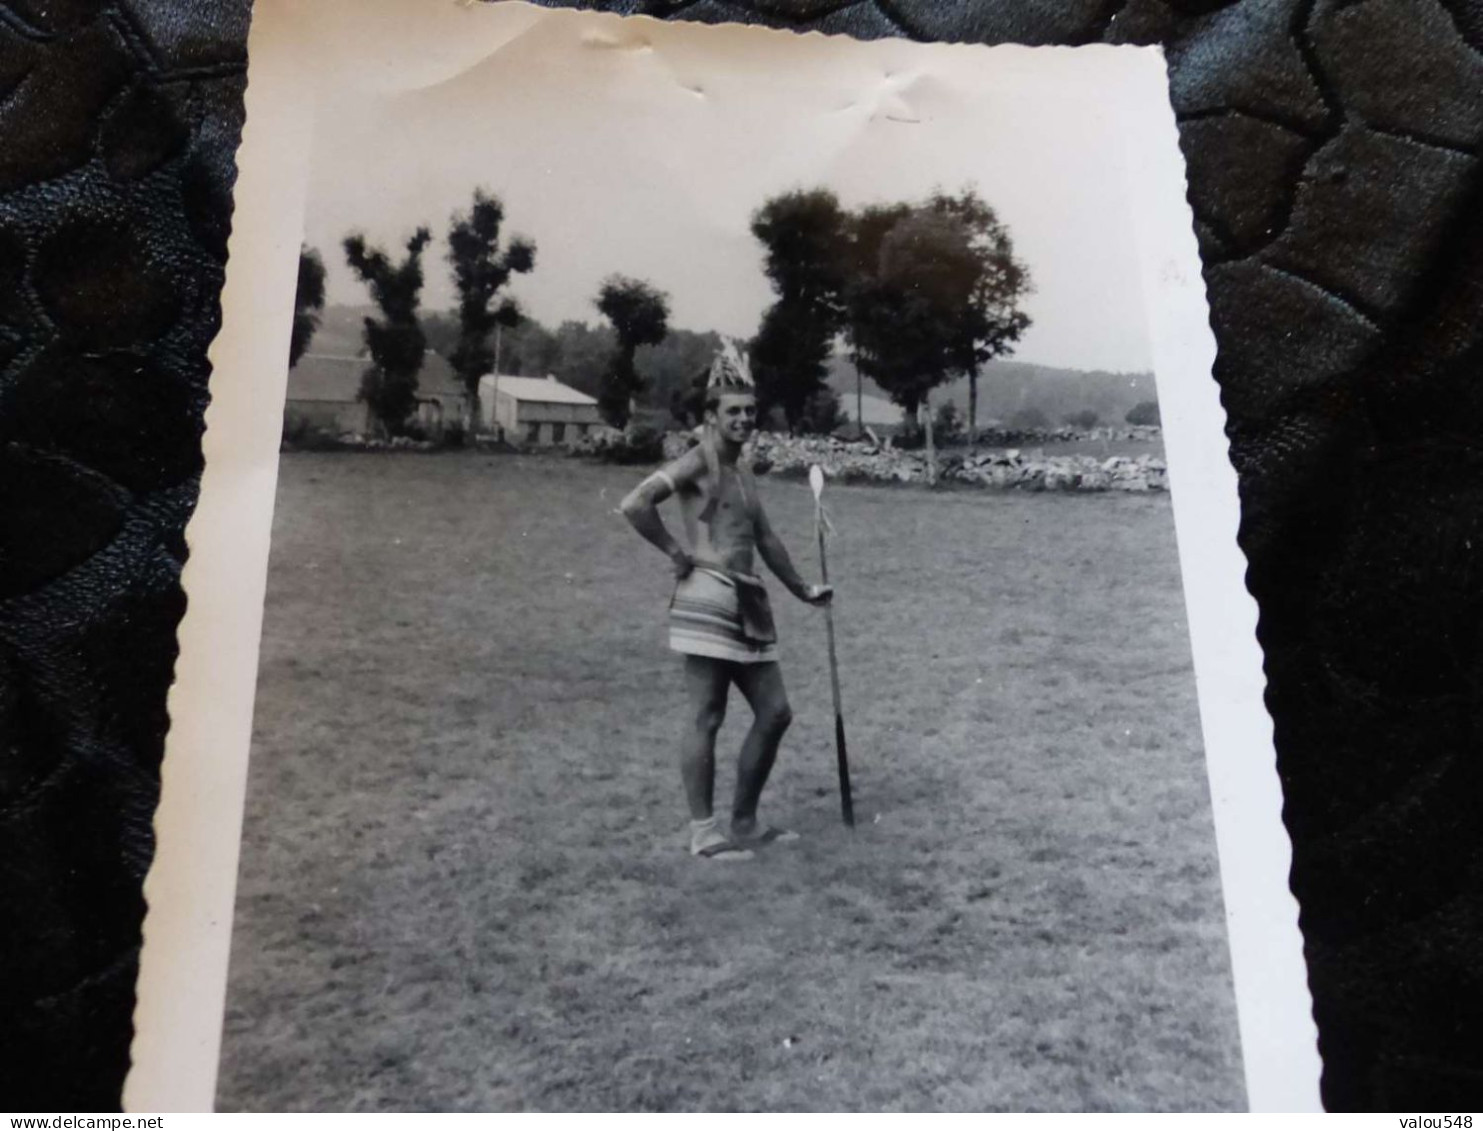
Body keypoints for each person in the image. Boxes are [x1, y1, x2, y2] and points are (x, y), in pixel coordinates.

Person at [619, 342, 832, 860]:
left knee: (775, 712)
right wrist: (674, 549)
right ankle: (704, 834)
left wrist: (803, 589)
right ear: (710, 416)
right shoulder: (699, 459)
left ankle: (744, 823)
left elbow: (766, 538)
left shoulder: (743, 473)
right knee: (707, 715)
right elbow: (635, 503)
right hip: (708, 598)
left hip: (749, 601)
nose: (743, 420)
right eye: (732, 411)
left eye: (749, 412)